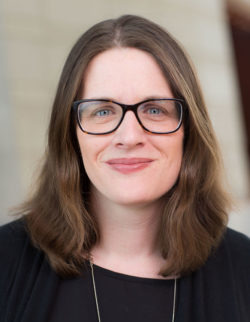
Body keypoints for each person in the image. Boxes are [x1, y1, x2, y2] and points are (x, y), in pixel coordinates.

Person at [0, 14, 249, 322]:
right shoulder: (6, 261)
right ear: (71, 134)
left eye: (155, 109)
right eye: (103, 111)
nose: (129, 137)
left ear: (188, 131)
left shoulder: (243, 268)